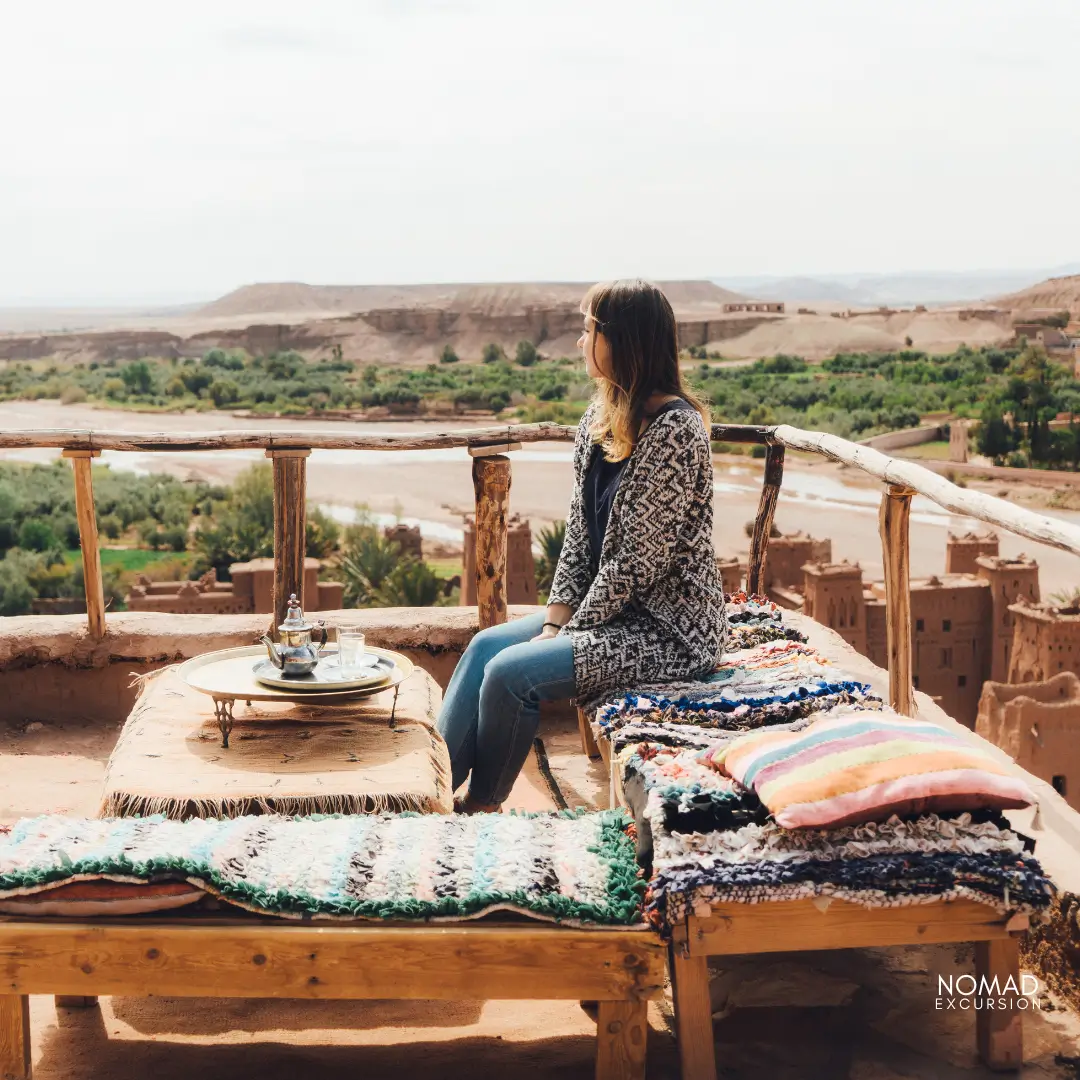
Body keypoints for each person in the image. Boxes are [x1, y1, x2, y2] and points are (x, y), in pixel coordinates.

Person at [436, 279, 727, 813]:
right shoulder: (600, 419)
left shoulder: (675, 431)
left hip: (666, 630)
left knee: (510, 674)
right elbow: (578, 537)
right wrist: (554, 622)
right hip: (611, 615)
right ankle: (426, 792)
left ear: (623, 341)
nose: (580, 341)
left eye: (589, 329)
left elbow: (636, 564)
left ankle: (476, 810)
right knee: (484, 648)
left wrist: (566, 632)